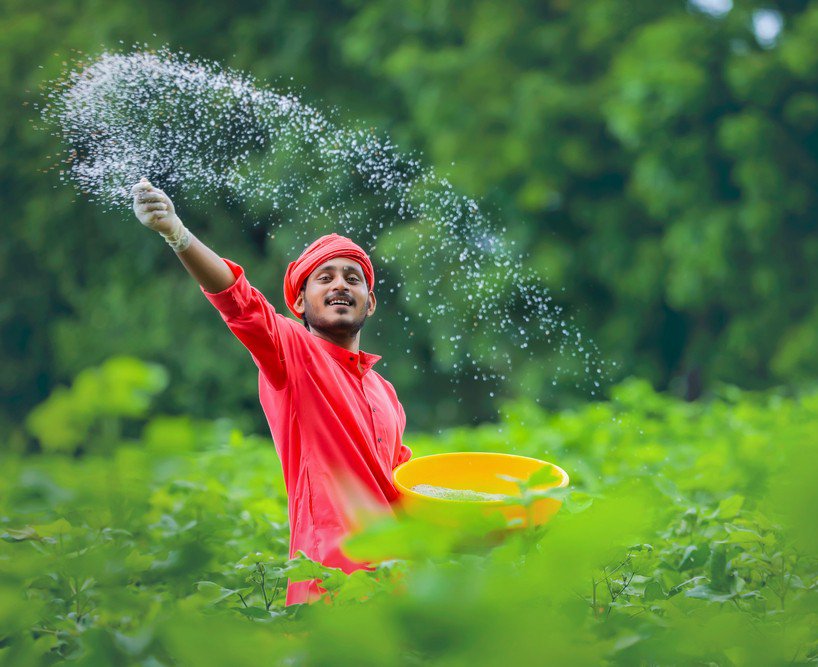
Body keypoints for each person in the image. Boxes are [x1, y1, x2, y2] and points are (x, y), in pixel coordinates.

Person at [131, 178, 412, 605]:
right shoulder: (291, 353)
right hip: (329, 586)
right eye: (325, 278)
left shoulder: (384, 391)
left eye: (352, 278)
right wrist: (177, 233)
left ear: (369, 303)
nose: (340, 285)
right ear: (299, 303)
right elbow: (240, 303)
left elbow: (406, 489)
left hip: (399, 588)